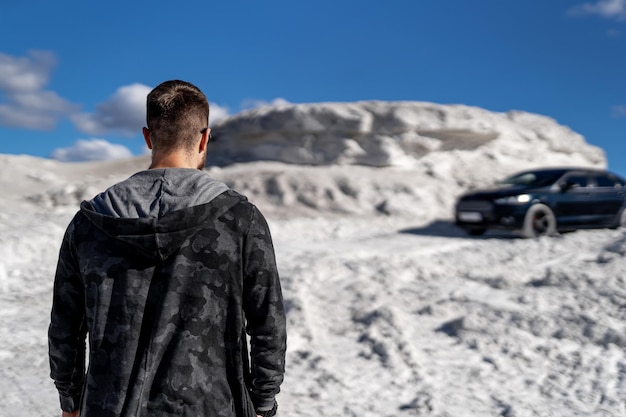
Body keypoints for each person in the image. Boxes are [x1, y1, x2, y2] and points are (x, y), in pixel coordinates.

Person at [48, 80, 287, 417]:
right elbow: (267, 324)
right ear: (204, 138)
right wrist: (264, 403)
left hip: (109, 406)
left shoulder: (88, 223)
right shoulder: (239, 219)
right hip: (213, 406)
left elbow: (65, 327)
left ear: (148, 137)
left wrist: (71, 402)